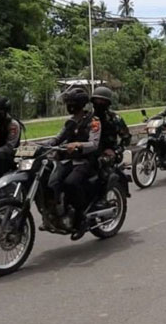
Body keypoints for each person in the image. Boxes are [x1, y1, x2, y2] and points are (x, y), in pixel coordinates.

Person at [45, 88, 101, 236]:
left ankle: (80, 218)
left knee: (71, 183)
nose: (69, 106)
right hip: (67, 160)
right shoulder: (70, 122)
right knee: (52, 183)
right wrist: (43, 145)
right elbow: (57, 138)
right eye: (68, 103)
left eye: (72, 103)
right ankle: (58, 213)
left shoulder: (93, 121)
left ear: (81, 104)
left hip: (84, 161)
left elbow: (94, 144)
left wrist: (78, 145)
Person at [90, 87, 131, 166]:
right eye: (97, 101)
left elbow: (126, 138)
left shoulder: (114, 119)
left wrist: (116, 151)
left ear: (108, 103)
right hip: (90, 153)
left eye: (102, 101)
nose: (99, 103)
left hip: (107, 155)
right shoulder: (88, 118)